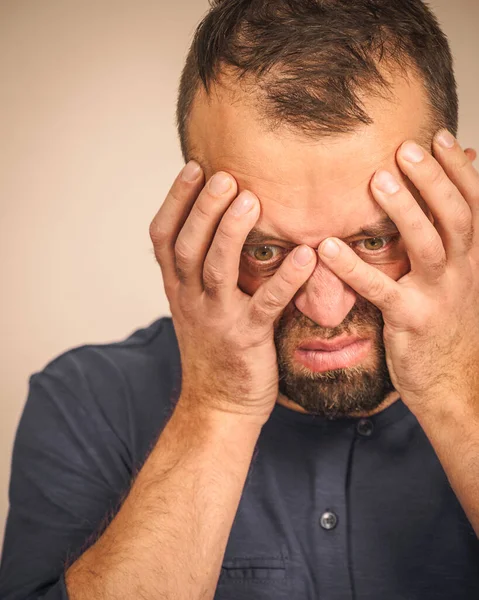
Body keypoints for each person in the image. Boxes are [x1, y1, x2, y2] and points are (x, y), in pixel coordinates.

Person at [1, 0, 479, 598]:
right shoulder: (88, 402)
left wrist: (450, 389)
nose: (326, 310)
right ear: (193, 223)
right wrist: (218, 406)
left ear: (459, 198)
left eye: (374, 241)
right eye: (266, 252)